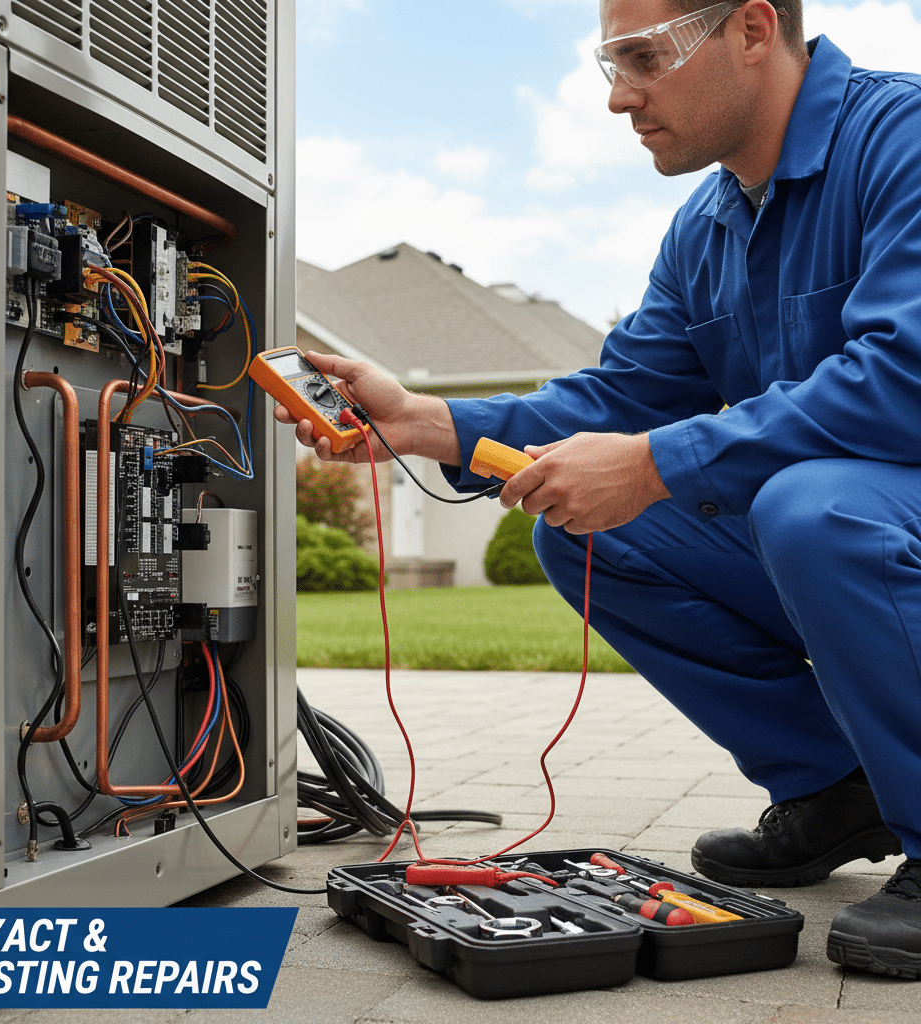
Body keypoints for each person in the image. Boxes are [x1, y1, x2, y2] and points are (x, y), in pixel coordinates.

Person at [278, 0, 921, 977]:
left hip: (879, 525)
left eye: (641, 57)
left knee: (808, 508)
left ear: (752, 28)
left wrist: (656, 461)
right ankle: (838, 786)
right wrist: (426, 422)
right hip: (857, 536)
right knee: (587, 532)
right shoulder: (707, 227)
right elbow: (615, 397)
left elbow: (904, 377)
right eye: (605, 64)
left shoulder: (900, 139)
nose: (619, 96)